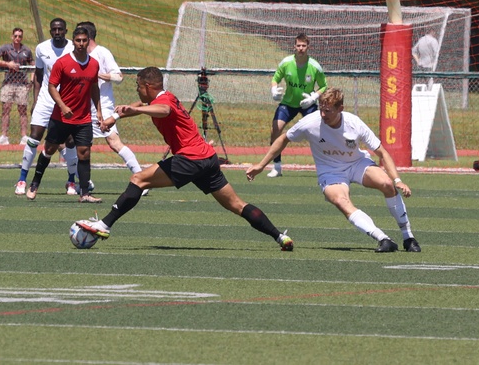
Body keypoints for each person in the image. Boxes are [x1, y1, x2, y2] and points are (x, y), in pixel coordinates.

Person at [76, 67, 293, 251]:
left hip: (191, 158)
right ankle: (280, 237)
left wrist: (133, 109)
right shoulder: (162, 96)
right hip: (207, 158)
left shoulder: (163, 103)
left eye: (138, 86)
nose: (137, 91)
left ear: (148, 87)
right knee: (237, 205)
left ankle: (104, 225)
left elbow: (163, 110)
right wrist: (117, 115)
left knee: (138, 180)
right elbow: (142, 106)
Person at [247, 88, 421, 253]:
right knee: (341, 200)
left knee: (386, 184)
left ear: (340, 109)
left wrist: (397, 180)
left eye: (328, 111)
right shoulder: (310, 122)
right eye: (321, 109)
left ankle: (408, 237)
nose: (323, 115)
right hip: (330, 172)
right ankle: (383, 239)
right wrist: (261, 165)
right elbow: (283, 139)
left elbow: (381, 151)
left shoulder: (354, 123)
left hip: (357, 163)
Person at [61, 21, 144, 195]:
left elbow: (119, 77)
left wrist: (97, 74)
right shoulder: (75, 55)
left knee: (114, 142)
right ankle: (84, 181)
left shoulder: (102, 53)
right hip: (81, 108)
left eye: (81, 37)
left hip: (102, 106)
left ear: (88, 37)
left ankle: (141, 179)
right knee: (68, 142)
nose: (78, 41)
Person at [26, 26, 102, 202]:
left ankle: (84, 194)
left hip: (83, 118)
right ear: (73, 42)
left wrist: (98, 111)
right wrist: (62, 106)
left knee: (84, 153)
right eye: (78, 40)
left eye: (84, 40)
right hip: (61, 117)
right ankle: (34, 184)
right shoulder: (63, 62)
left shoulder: (94, 64)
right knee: (49, 149)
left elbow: (94, 87)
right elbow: (52, 86)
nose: (81, 44)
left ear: (88, 41)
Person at [14, 18, 73, 195]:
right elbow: (39, 75)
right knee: (34, 138)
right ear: (50, 31)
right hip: (46, 100)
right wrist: (36, 99)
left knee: (70, 141)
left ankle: (71, 181)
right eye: (54, 29)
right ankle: (22, 179)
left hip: (67, 102)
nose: (57, 32)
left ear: (65, 31)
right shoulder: (42, 48)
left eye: (60, 29)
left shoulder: (72, 48)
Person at [267, 33, 327, 178]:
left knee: (320, 134)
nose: (301, 48)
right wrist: (274, 89)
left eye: (303, 46)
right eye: (298, 45)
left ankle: (326, 166)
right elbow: (275, 79)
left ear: (308, 47)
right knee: (276, 129)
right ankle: (277, 167)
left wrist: (314, 97)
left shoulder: (314, 66)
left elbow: (324, 86)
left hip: (308, 105)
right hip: (288, 104)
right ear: (294, 46)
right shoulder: (286, 63)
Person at [0, 27, 34, 145]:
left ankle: (24, 136)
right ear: (12, 37)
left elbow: (33, 66)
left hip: (22, 84)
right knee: (6, 109)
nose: (17, 38)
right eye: (15, 36)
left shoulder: (26, 51)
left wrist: (32, 81)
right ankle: (4, 136)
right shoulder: (6, 49)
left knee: (22, 110)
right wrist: (7, 64)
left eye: (20, 36)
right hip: (8, 82)